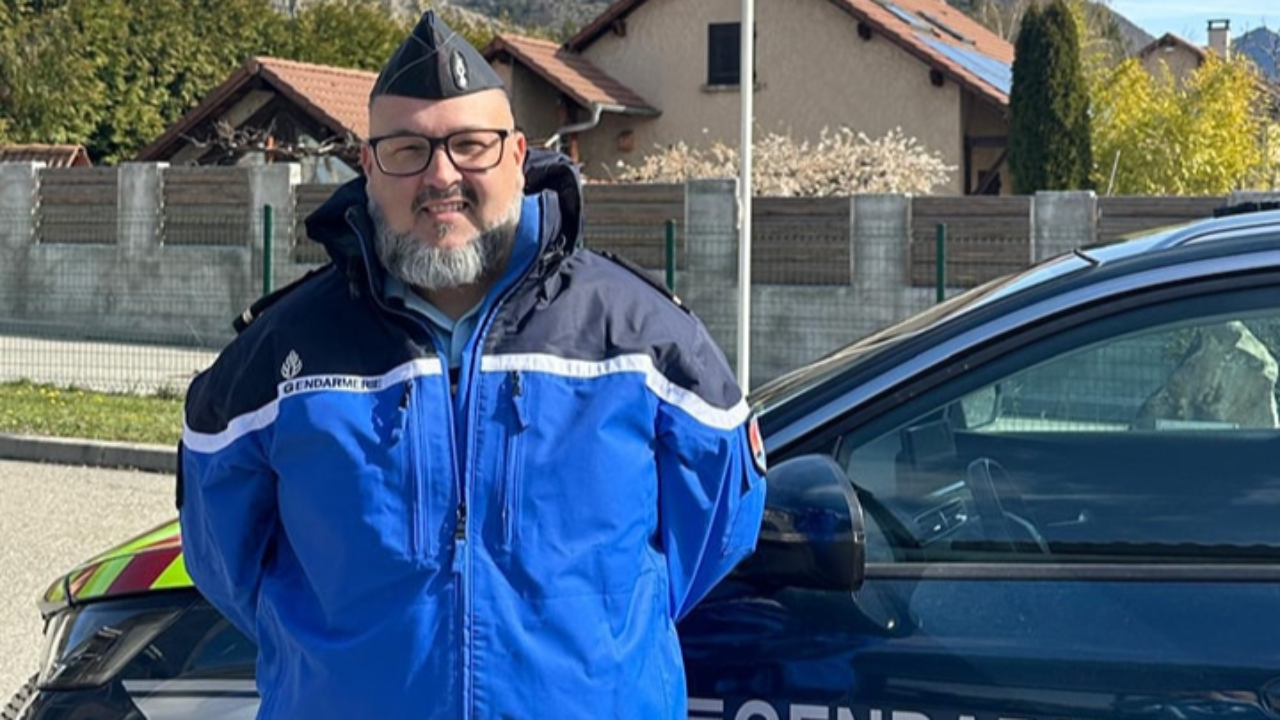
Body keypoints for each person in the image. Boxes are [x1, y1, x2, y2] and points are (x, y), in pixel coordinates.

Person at [177, 10, 767, 720]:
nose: (441, 176)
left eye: (470, 146)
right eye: (407, 150)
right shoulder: (278, 356)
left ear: (518, 155)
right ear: (367, 166)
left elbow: (716, 529)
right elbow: (225, 560)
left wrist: (597, 647)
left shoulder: (643, 338)